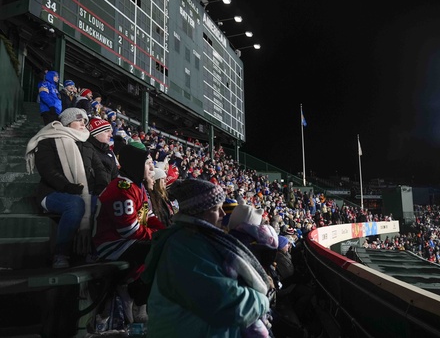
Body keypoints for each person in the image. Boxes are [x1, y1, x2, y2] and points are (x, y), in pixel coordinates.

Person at [142, 179, 272, 337]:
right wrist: (263, 300)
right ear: (200, 211)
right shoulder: (185, 246)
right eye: (217, 209)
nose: (223, 215)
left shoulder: (195, 239)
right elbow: (226, 303)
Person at [25, 107, 109, 268]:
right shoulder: (48, 140)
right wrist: (67, 186)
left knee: (101, 203)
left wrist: (101, 188)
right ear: (67, 122)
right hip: (51, 192)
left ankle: (93, 250)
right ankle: (61, 254)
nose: (83, 123)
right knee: (75, 204)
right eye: (79, 120)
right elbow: (47, 170)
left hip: (81, 192)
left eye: (85, 120)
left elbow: (100, 171)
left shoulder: (87, 144)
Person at [93, 142, 165, 324]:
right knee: (161, 250)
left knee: (166, 244)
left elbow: (148, 217)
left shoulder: (137, 186)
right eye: (147, 164)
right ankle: (140, 302)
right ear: (135, 164)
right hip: (112, 245)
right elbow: (129, 229)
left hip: (127, 243)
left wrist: (166, 232)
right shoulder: (121, 188)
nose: (152, 168)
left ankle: (136, 297)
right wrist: (157, 236)